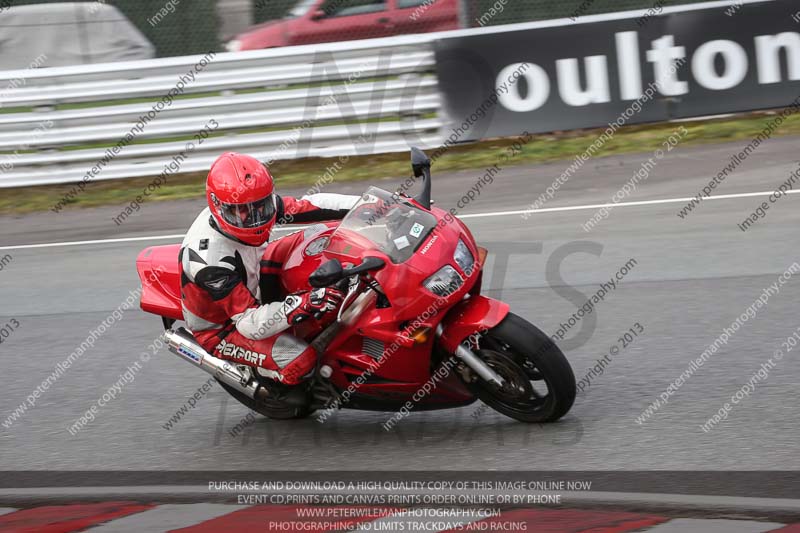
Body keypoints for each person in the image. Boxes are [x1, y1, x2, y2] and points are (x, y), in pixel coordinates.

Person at [180, 152, 359, 393]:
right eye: (241, 211)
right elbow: (249, 323)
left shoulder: (253, 202)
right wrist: (305, 302)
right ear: (218, 206)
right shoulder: (210, 263)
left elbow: (312, 205)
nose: (254, 218)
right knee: (300, 360)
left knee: (322, 234)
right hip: (225, 327)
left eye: (260, 207)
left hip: (258, 268)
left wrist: (376, 205)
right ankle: (273, 384)